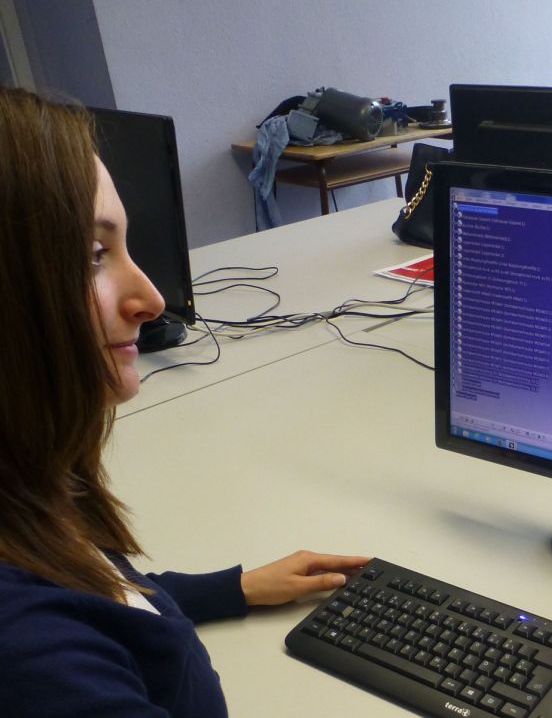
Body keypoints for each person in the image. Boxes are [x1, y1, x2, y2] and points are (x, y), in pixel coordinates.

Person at [0, 85, 369, 716]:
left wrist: (232, 589)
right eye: (93, 255)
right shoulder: (34, 656)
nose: (150, 299)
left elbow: (96, 592)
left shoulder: (25, 492)